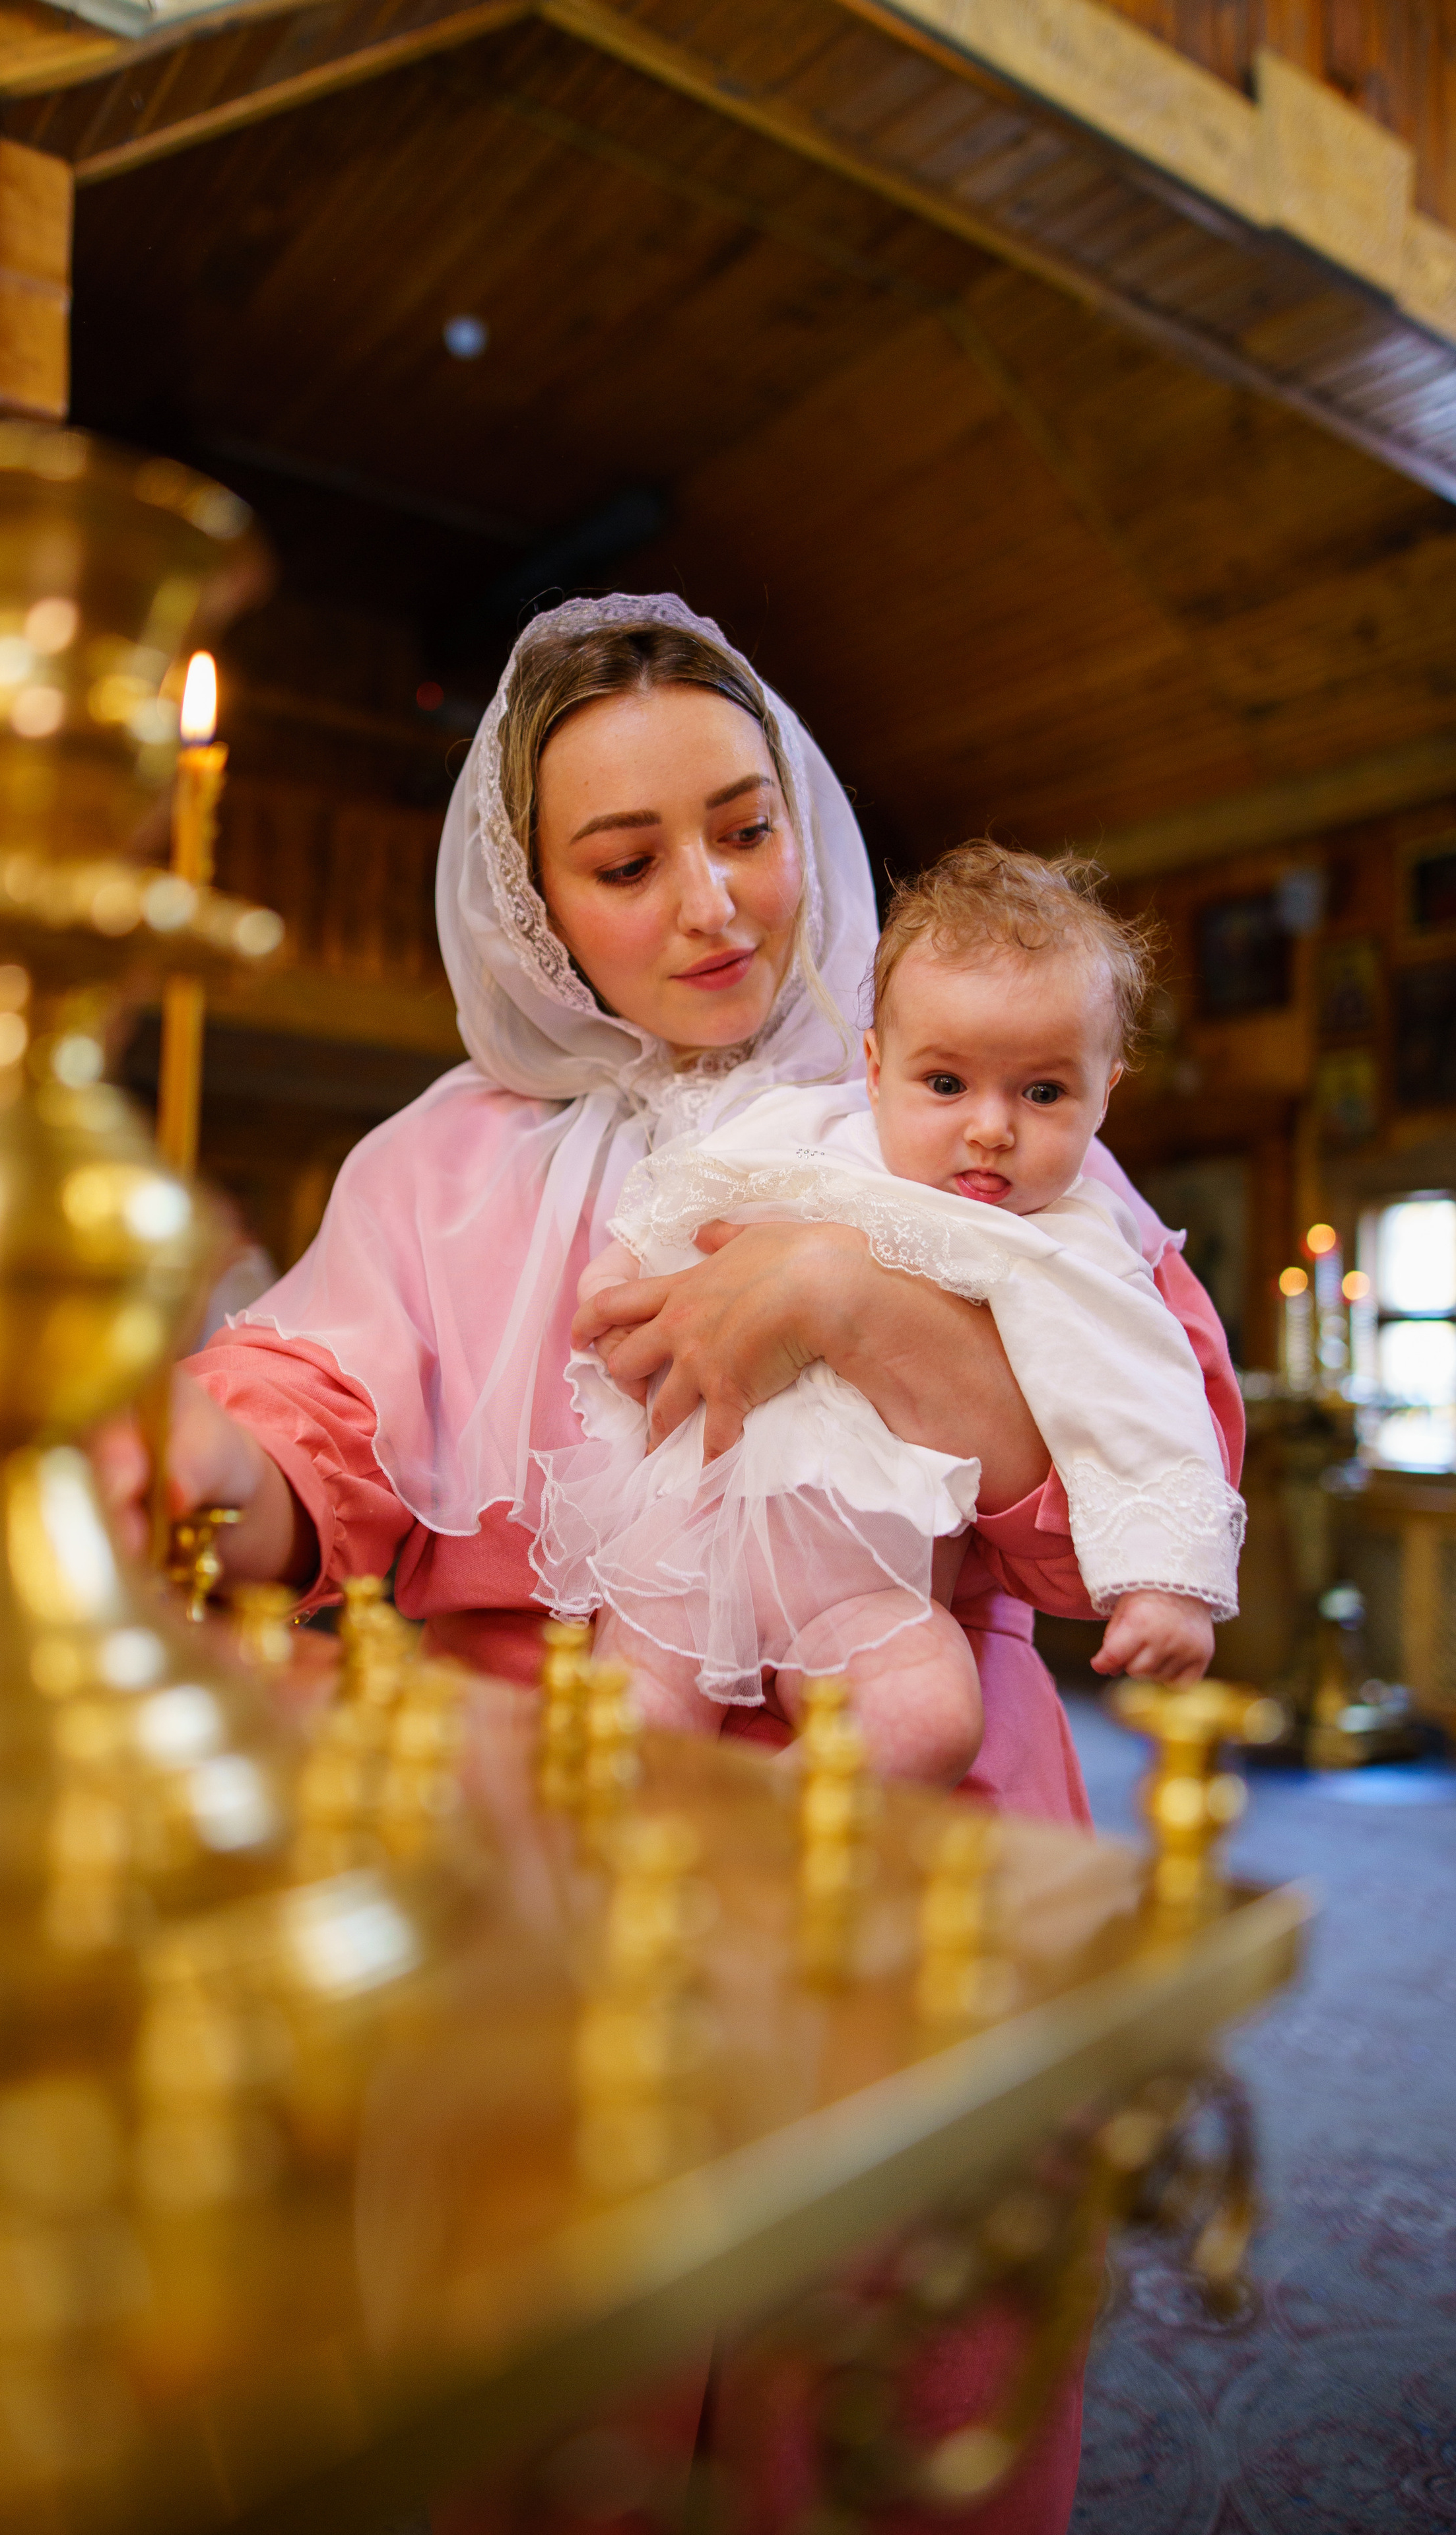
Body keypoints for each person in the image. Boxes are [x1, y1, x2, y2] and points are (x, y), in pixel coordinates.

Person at [93, 593, 1244, 2535]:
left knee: (873, 2347)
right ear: (542, 904)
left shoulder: (959, 1094)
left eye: (746, 826)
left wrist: (835, 1292)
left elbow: (1124, 1470)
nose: (715, 904)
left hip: (909, 1797)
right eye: (628, 863)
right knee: (557, 2339)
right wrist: (169, 1448)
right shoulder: (447, 1159)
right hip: (559, 1817)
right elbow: (319, 1433)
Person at [540, 845, 1243, 1780]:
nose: (990, 1126)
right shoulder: (817, 1132)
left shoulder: (1073, 1245)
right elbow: (696, 1187)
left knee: (933, 1717)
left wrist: (1166, 1585)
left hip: (868, 1588)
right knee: (625, 1724)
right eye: (945, 1084)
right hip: (692, 1538)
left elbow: (1144, 1402)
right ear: (875, 1068)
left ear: (1105, 1088)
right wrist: (622, 1273)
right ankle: (625, 1862)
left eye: (1043, 1092)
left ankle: (787, 1833)